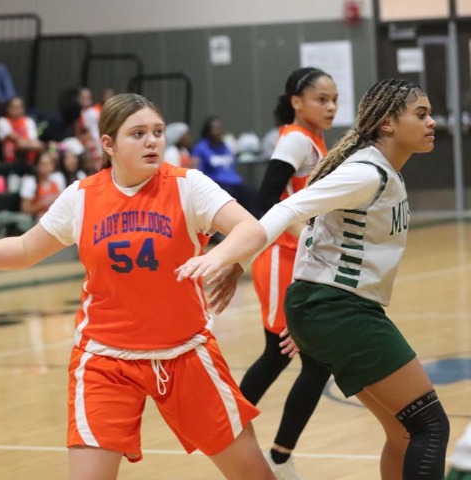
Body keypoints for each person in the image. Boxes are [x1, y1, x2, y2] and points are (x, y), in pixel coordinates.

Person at [0, 93, 276, 480]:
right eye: (138, 133)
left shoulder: (188, 186)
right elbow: (25, 249)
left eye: (157, 132)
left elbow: (250, 229)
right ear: (108, 144)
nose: (152, 141)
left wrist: (219, 257)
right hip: (105, 360)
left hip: (185, 352)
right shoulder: (82, 197)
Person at [178, 78, 450, 480]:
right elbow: (286, 208)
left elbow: (314, 233)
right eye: (421, 114)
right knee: (430, 425)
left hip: (331, 308)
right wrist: (228, 257)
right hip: (342, 309)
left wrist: (307, 311)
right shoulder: (366, 173)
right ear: (388, 123)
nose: (432, 122)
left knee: (403, 431)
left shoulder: (382, 171)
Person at [239, 67, 338, 480]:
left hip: (299, 260)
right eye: (321, 99)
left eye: (334, 99)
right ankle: (253, 445)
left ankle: (271, 452)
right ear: (297, 102)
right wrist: (301, 235)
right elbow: (266, 199)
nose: (330, 107)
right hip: (283, 260)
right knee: (292, 356)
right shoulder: (296, 139)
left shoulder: (313, 138)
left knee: (302, 359)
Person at [193, 116, 260, 218]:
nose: (219, 131)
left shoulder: (225, 146)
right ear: (208, 130)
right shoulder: (201, 148)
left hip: (234, 182)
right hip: (218, 184)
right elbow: (197, 170)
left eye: (220, 128)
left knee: (252, 193)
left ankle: (257, 222)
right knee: (232, 198)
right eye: (215, 128)